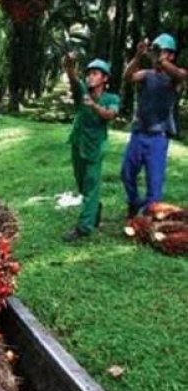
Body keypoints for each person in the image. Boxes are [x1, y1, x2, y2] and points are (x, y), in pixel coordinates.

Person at [121, 33, 187, 218]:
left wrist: (161, 61)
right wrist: (137, 56)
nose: (157, 54)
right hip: (139, 133)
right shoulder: (147, 75)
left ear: (171, 55)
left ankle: (149, 218)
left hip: (159, 137)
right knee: (127, 173)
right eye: (155, 50)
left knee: (154, 183)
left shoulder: (174, 77)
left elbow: (181, 75)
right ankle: (134, 202)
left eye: (162, 51)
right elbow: (127, 77)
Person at [62, 54, 120, 242]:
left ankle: (84, 228)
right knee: (82, 185)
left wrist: (94, 106)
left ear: (104, 78)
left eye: (95, 74)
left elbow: (110, 115)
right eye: (89, 74)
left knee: (91, 184)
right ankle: (95, 209)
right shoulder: (82, 92)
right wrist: (69, 63)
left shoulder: (111, 98)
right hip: (78, 143)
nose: (90, 77)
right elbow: (72, 77)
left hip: (96, 147)